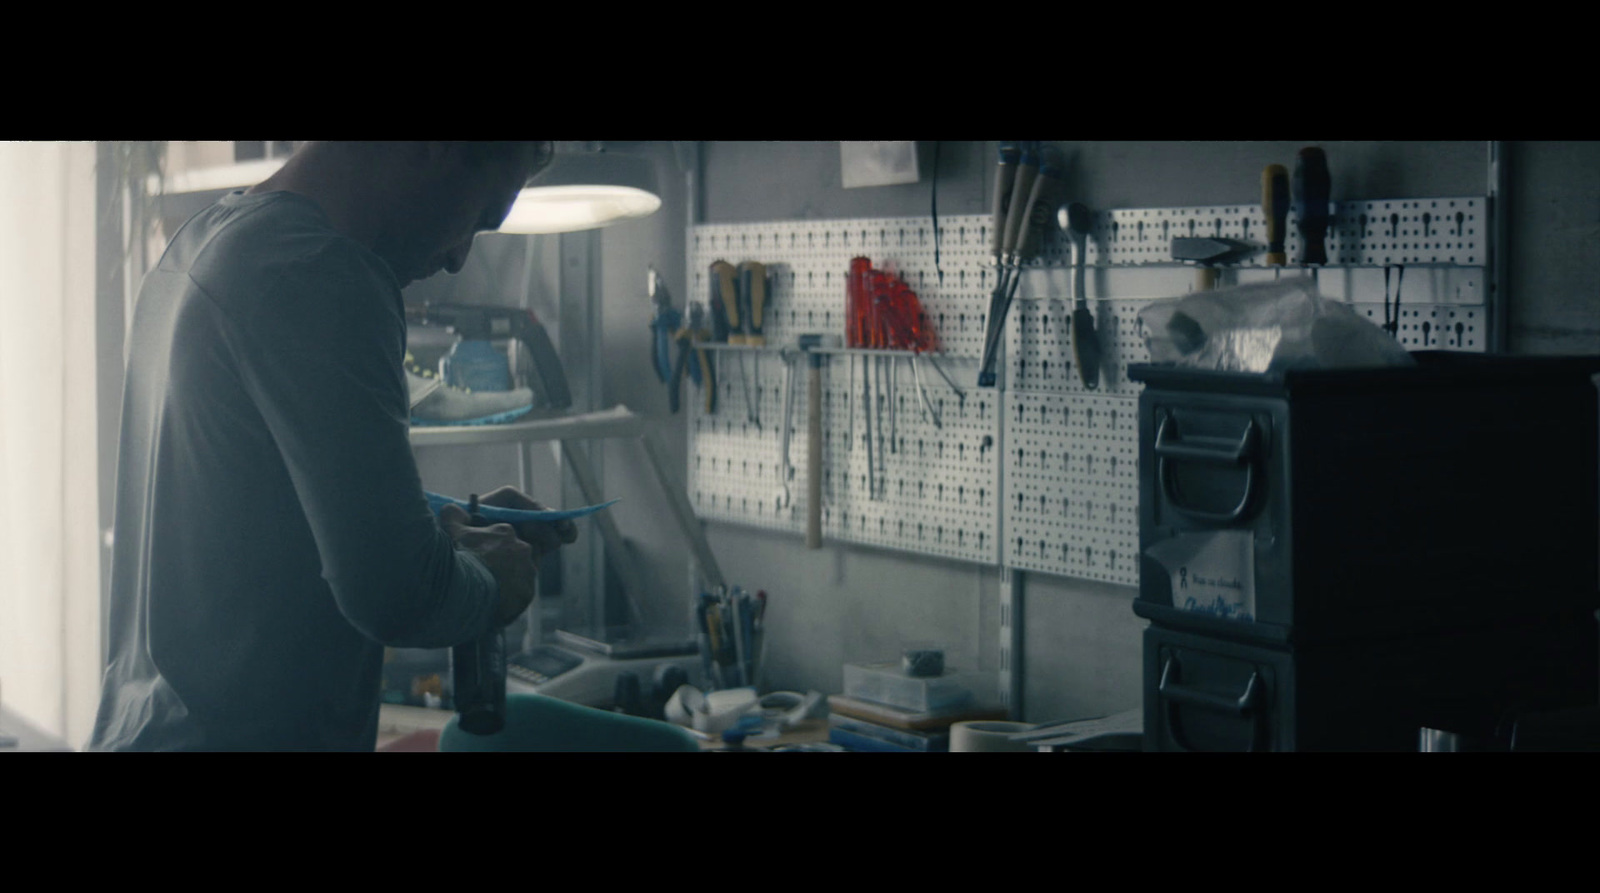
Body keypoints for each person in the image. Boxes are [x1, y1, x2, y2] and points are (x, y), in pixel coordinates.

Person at [88, 141, 573, 751]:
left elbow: (253, 510)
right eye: (477, 219)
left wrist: (440, 533)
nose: (458, 258)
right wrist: (492, 583)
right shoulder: (320, 270)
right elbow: (396, 593)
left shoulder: (205, 240)